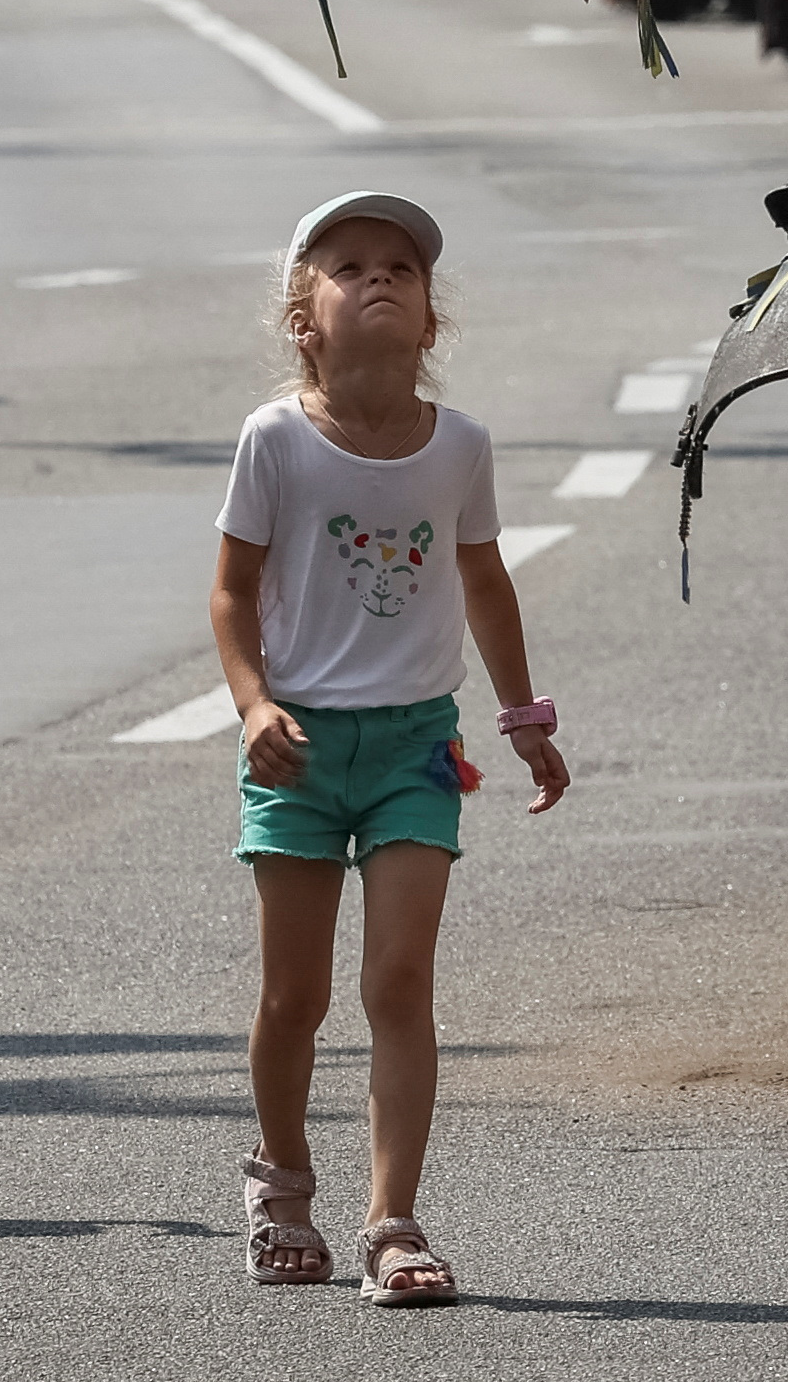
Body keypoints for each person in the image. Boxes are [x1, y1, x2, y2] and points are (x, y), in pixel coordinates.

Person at [213, 191, 569, 1307]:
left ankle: (393, 1221)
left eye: (403, 268)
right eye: (350, 264)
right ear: (303, 318)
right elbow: (229, 591)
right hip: (300, 747)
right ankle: (282, 1187)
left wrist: (523, 718)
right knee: (293, 995)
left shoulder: (457, 444)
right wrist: (253, 705)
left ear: (429, 321)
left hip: (420, 741)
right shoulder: (274, 441)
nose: (380, 277)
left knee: (401, 980)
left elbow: (483, 579)